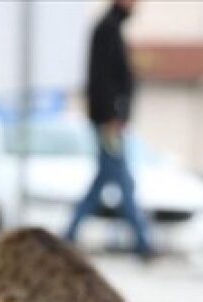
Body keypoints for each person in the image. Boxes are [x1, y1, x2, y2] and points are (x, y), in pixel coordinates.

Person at [65, 0, 155, 260]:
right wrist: (111, 116)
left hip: (111, 120)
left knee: (104, 180)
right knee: (123, 181)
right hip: (109, 122)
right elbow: (102, 79)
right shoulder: (106, 29)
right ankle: (143, 242)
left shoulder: (112, 28)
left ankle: (69, 235)